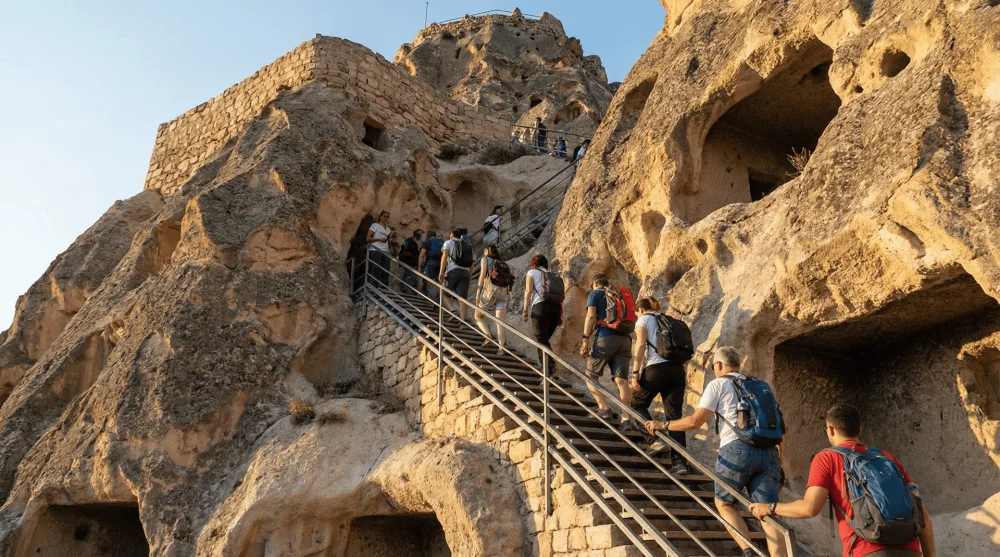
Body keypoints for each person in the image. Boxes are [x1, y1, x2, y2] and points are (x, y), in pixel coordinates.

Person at [645, 347, 787, 557]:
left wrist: (663, 425)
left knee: (724, 502)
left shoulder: (719, 384)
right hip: (769, 453)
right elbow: (781, 430)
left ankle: (749, 552)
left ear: (719, 365)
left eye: (713, 367)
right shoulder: (761, 386)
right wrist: (780, 465)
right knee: (767, 513)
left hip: (736, 451)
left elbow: (695, 421)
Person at [749, 404, 936, 557]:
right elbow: (921, 512)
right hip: (910, 549)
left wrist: (770, 507)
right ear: (860, 428)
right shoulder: (886, 457)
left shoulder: (827, 458)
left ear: (830, 429)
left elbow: (809, 508)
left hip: (864, 549)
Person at [625, 297, 689, 474]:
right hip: (677, 370)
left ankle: (654, 441)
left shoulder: (644, 319)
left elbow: (640, 345)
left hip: (656, 369)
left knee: (636, 405)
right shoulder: (668, 319)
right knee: (675, 417)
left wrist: (635, 372)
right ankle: (680, 463)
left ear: (639, 309)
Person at [578, 274, 633, 423]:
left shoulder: (595, 293)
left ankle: (603, 409)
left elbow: (590, 316)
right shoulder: (618, 294)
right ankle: (626, 419)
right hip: (625, 339)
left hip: (605, 338)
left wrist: (585, 340)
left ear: (594, 283)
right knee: (621, 380)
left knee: (590, 375)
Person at [522, 254, 563, 375]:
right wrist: (562, 315)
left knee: (541, 339)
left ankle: (551, 364)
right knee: (543, 341)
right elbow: (562, 297)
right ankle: (546, 373)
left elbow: (529, 290)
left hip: (540, 307)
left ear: (533, 264)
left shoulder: (531, 273)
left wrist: (525, 309)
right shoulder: (555, 276)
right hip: (556, 309)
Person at [474, 244, 512, 353]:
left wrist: (478, 292)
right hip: (504, 292)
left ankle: (488, 335)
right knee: (500, 321)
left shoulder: (485, 259)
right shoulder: (502, 263)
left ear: (486, 251)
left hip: (490, 291)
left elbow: (482, 276)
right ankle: (501, 348)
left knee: (478, 316)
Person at [440, 229, 474, 322]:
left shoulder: (448, 243)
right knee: (462, 299)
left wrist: (441, 272)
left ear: (451, 236)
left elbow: (444, 257)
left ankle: (453, 311)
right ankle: (463, 322)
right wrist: (469, 275)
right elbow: (471, 264)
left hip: (453, 271)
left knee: (443, 292)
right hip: (466, 272)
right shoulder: (468, 246)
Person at [366, 211, 392, 288]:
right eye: (384, 216)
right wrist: (379, 239)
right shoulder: (375, 225)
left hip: (386, 251)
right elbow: (367, 238)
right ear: (380, 217)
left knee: (386, 270)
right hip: (375, 249)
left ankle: (384, 289)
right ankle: (372, 288)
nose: (386, 218)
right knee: (375, 269)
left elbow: (388, 240)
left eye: (387, 217)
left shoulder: (388, 229)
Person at [418, 231, 444, 297]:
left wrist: (419, 267)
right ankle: (437, 300)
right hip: (440, 265)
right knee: (437, 283)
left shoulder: (427, 242)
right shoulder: (440, 243)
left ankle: (433, 302)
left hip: (430, 265)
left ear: (427, 236)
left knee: (430, 283)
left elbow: (422, 255)